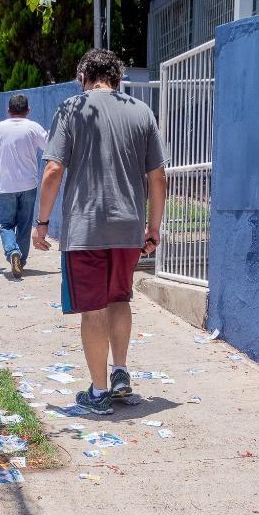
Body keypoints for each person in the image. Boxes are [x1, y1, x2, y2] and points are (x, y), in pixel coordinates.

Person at [34, 48, 167, 415]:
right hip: (128, 227)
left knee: (92, 311)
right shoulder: (141, 112)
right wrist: (152, 227)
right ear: (119, 78)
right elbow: (158, 178)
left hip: (86, 228)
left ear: (83, 77)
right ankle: (120, 371)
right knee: (120, 299)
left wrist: (42, 223)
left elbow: (53, 171)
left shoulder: (72, 109)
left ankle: (98, 393)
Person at [0, 93, 48, 279]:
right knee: (24, 225)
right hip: (29, 184)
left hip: (5, 185)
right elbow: (49, 146)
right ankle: (21, 259)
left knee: (6, 224)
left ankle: (13, 252)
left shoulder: (0, 128)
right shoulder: (33, 127)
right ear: (28, 110)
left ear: (8, 110)